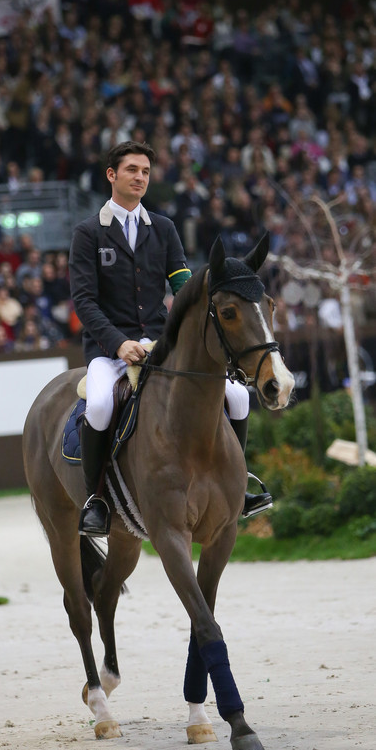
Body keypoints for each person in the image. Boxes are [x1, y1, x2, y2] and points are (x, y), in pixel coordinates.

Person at [69, 140, 270, 537]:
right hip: (111, 351)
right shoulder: (89, 233)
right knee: (98, 406)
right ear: (112, 175)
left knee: (238, 396)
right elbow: (84, 301)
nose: (140, 177)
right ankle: (97, 499)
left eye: (145, 171)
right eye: (132, 170)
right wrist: (117, 343)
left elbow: (182, 285)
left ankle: (238, 483)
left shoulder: (162, 228)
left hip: (161, 343)